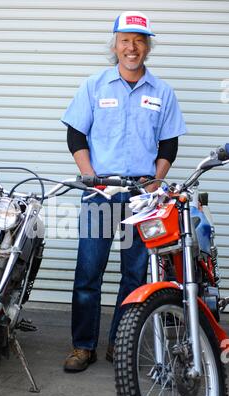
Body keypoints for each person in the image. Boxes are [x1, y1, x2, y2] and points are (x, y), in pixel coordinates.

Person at [61, 10, 186, 372]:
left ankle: (121, 341)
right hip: (100, 195)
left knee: (134, 275)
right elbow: (76, 134)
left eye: (139, 41)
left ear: (147, 47)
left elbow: (169, 145)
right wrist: (89, 175)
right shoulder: (94, 86)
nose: (131, 47)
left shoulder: (162, 92)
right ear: (114, 45)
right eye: (125, 40)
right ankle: (83, 346)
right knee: (88, 272)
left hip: (141, 201)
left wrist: (156, 182)